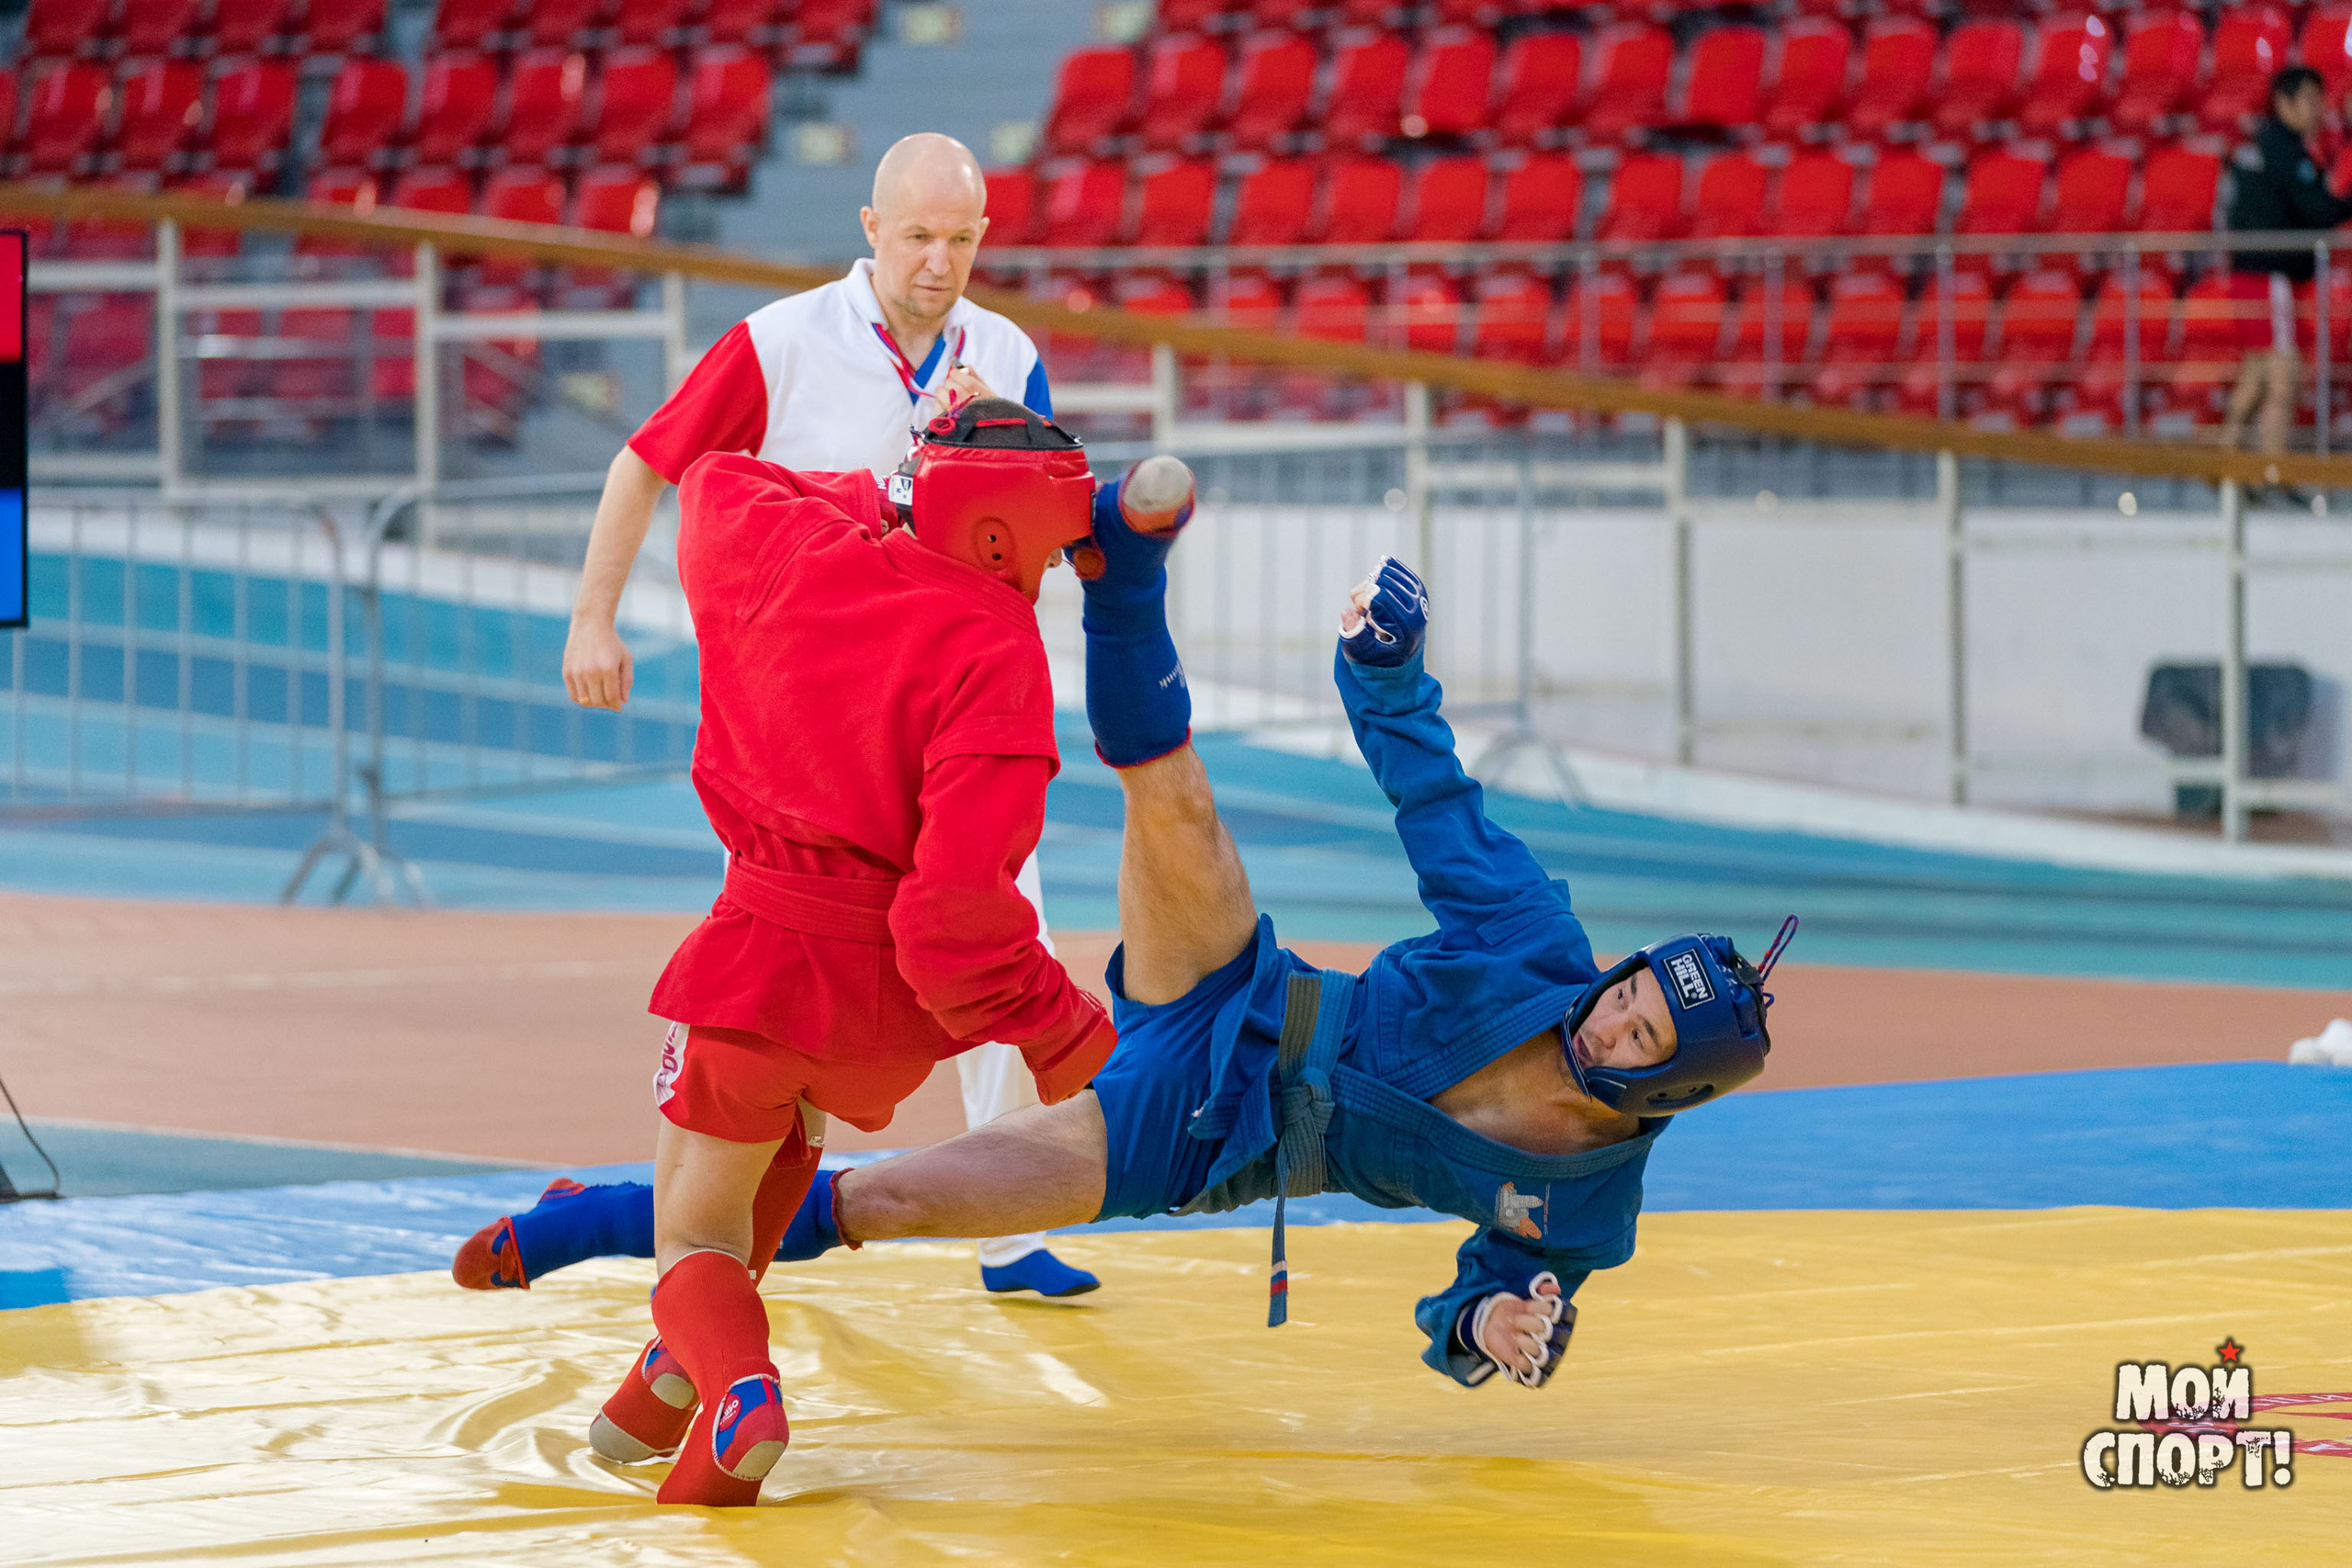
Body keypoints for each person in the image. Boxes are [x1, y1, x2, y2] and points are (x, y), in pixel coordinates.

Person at [461, 499, 1796, 1399]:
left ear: (1664, 1090)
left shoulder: (1591, 1208)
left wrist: (1495, 1331)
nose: (1611, 1017)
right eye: (1629, 992)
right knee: (1178, 797)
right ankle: (1125, 579)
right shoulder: (1539, 943)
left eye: (1639, 1038)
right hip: (1248, 994)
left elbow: (1484, 1310)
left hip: (1208, 1140)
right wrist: (1386, 670)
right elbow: (1433, 799)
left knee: (895, 1199)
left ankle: (598, 1214)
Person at [584, 400, 1191, 1506]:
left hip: (763, 961)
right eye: (1052, 555)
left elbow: (717, 477)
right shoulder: (1001, 655)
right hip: (879, 1020)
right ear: (1004, 543)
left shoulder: (793, 547)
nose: (1052, 577)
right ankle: (659, 1399)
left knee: (695, 1229)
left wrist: (900, 492)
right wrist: (1071, 1039)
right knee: (783, 1153)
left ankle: (738, 1393)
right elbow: (958, 913)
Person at [539, 130, 1093, 1298]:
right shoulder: (779, 339)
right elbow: (647, 462)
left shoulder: (1007, 351)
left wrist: (1000, 431)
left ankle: (1009, 1228)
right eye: (918, 237)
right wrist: (594, 618)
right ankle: (741, 1213)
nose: (939, 261)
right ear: (871, 231)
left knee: (1004, 928)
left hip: (944, 711)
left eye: (961, 239)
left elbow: (1051, 522)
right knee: (805, 978)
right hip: (812, 730)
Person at [2222, 65, 2352, 473]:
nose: (2319, 111)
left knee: (2257, 374)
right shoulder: (2283, 149)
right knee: (2283, 375)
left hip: (2250, 273)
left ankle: (2227, 470)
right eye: (2311, 101)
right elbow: (2317, 211)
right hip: (2268, 277)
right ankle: (2273, 474)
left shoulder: (2264, 145)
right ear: (2285, 103)